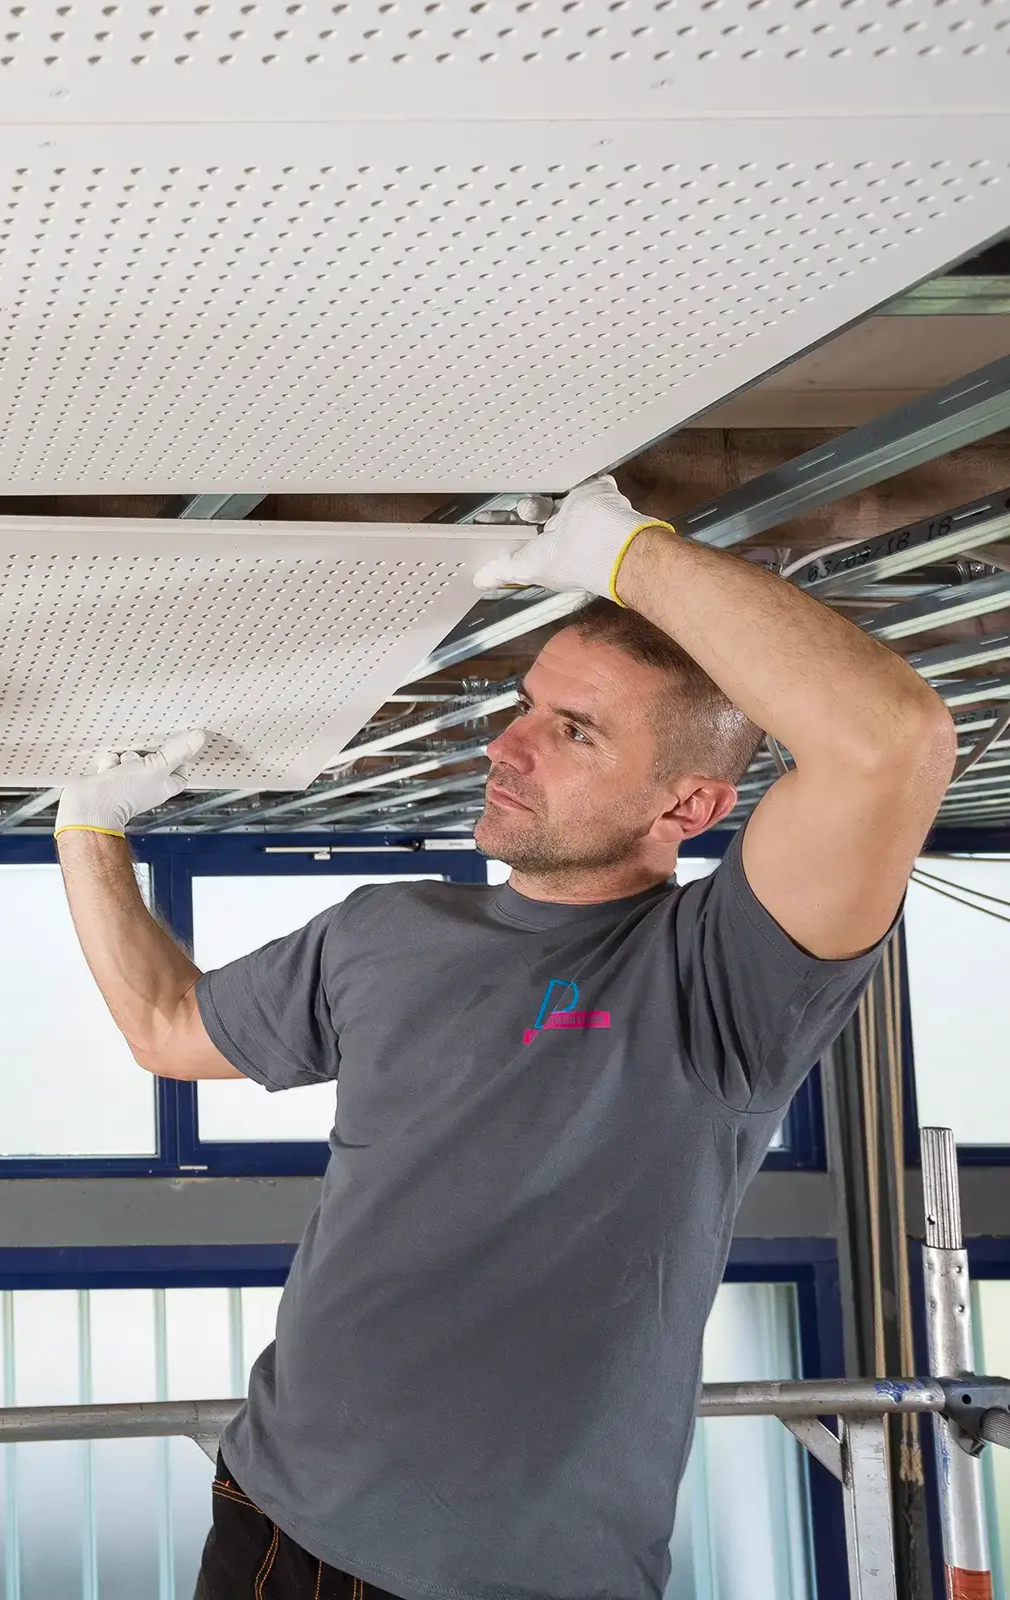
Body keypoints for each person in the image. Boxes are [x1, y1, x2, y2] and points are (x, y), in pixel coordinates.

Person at [54, 478, 957, 1600]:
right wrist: (88, 827)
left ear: (686, 809)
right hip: (276, 1517)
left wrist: (630, 553)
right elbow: (167, 1027)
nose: (507, 747)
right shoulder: (386, 930)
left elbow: (891, 742)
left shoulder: (723, 975)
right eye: (526, 705)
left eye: (574, 731)